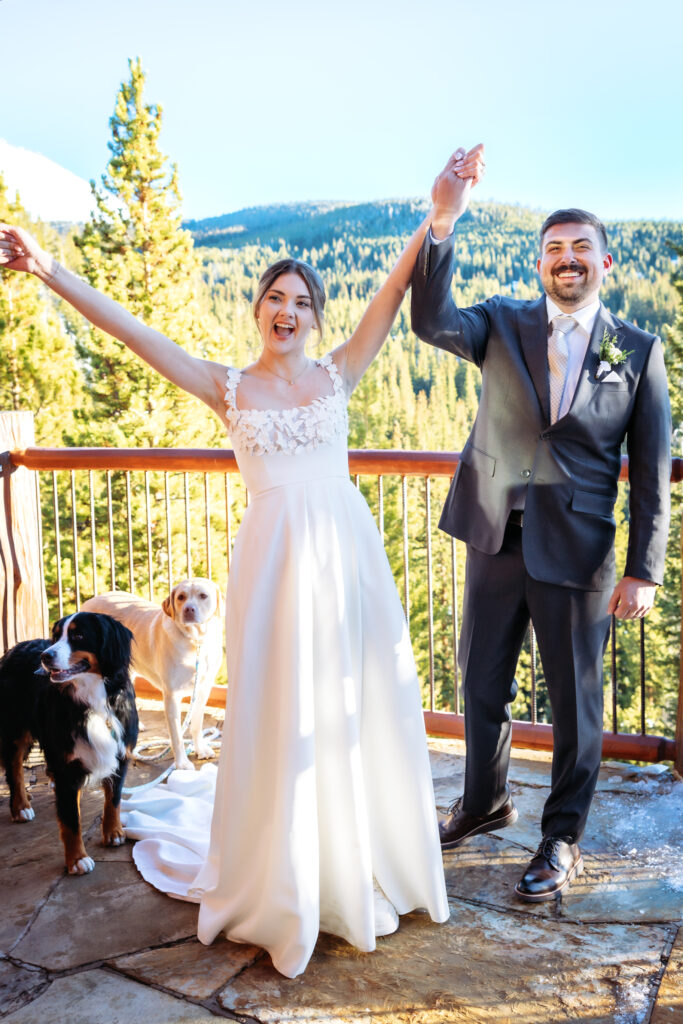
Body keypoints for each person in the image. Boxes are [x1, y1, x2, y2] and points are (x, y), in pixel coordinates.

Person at [0, 143, 484, 976]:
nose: (286, 310)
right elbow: (135, 331)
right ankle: (283, 874)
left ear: (315, 318)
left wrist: (438, 214)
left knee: (350, 706)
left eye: (300, 301)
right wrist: (48, 270)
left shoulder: (338, 372)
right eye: (273, 298)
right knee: (280, 712)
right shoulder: (229, 388)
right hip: (270, 569)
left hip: (344, 563)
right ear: (256, 309)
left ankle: (354, 862)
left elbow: (392, 291)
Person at [410, 150, 671, 902]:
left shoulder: (635, 350)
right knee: (480, 681)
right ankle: (483, 802)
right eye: (553, 249)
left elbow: (650, 470)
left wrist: (643, 569)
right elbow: (431, 320)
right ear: (537, 264)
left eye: (579, 249)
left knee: (575, 700)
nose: (566, 260)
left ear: (604, 263)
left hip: (581, 551)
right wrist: (444, 217)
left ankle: (561, 835)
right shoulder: (500, 322)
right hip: (495, 533)